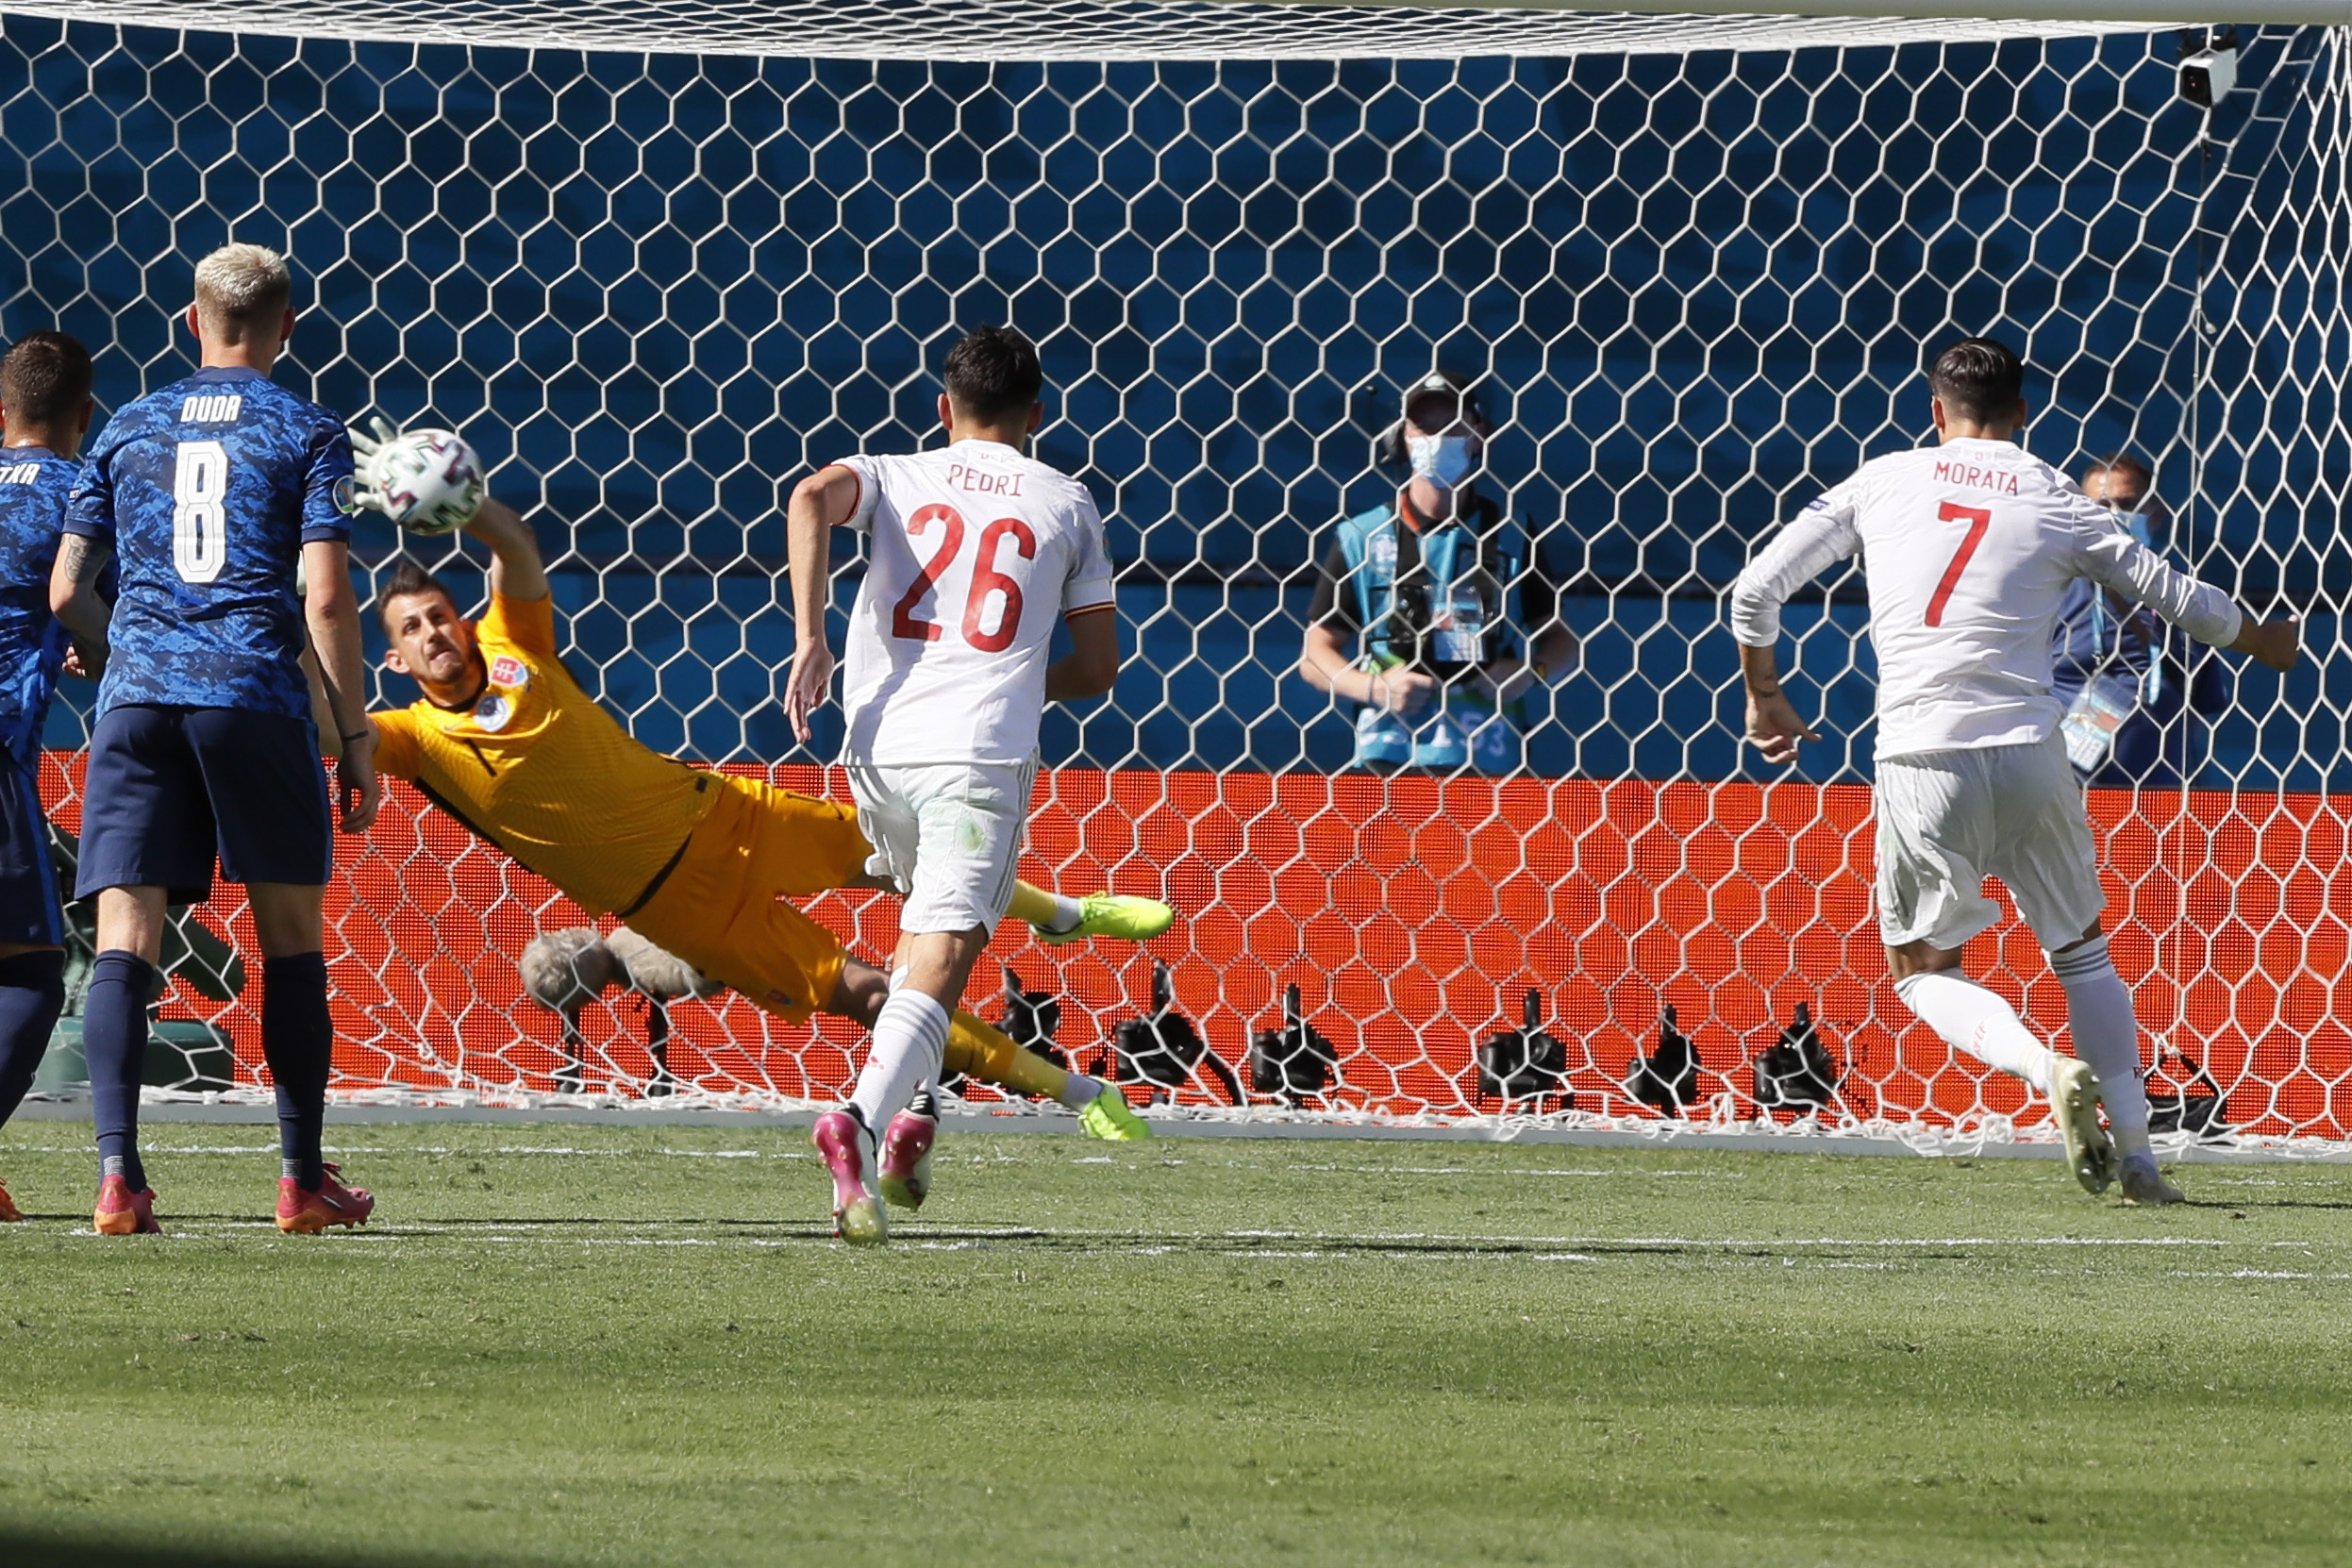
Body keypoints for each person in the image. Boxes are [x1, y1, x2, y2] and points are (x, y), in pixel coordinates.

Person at [330, 481, 1160, 1221]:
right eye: (411, 629)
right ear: (397, 662)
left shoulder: (516, 642)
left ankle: (1065, 913)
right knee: (870, 994)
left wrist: (457, 499)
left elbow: (513, 544)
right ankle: (1080, 1092)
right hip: (680, 910)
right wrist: (308, 603)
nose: (434, 630)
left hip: (727, 816)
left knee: (908, 858)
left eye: (439, 613)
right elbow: (324, 720)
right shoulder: (409, 739)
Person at [1728, 337, 2297, 1207]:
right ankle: (2140, 1158)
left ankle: (2041, 1067)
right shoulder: (2053, 495)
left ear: (1933, 412)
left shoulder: (1884, 478)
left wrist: (1765, 696)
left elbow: (1753, 593)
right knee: (2081, 953)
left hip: (1922, 753)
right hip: (2035, 752)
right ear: (2023, 414)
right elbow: (2173, 596)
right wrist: (2265, 641)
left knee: (1923, 967)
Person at [50, 242, 380, 1237]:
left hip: (139, 701)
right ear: (287, 327)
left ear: (188, 323)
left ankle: (118, 1180)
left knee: (124, 940)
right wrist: (354, 735)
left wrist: (119, 654)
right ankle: (298, 1181)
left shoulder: (126, 427)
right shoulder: (311, 431)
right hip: (251, 695)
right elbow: (324, 595)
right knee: (289, 945)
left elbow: (68, 590)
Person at [783, 323, 1119, 1245]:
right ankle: (852, 1119)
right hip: (975, 753)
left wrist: (811, 637)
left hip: (877, 750)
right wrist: (1010, 670)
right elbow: (1097, 668)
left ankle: (914, 1119)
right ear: (1036, 416)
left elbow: (810, 495)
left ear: (943, 408)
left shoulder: (893, 474)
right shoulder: (1068, 501)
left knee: (921, 936)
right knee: (943, 950)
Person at [1298, 371, 1576, 774]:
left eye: (1451, 428)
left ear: (1479, 434)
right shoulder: (1361, 535)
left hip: (1492, 766)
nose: (1435, 440)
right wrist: (1374, 687)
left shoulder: (1513, 532)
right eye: (1423, 427)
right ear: (1402, 437)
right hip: (1387, 763)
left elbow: (1561, 639)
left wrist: (1531, 673)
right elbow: (1314, 654)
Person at [0, 332, 101, 1222]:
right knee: (32, 970)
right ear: (85, 415)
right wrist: (98, 647)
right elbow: (79, 601)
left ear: (2, 415)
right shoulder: (81, 493)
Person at [2049, 454, 2226, 788]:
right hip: (2065, 801)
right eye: (2101, 506)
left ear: (2154, 514)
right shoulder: (2052, 596)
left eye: (2127, 504)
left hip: (2163, 804)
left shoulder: (2185, 600)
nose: (2114, 516)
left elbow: (2204, 703)